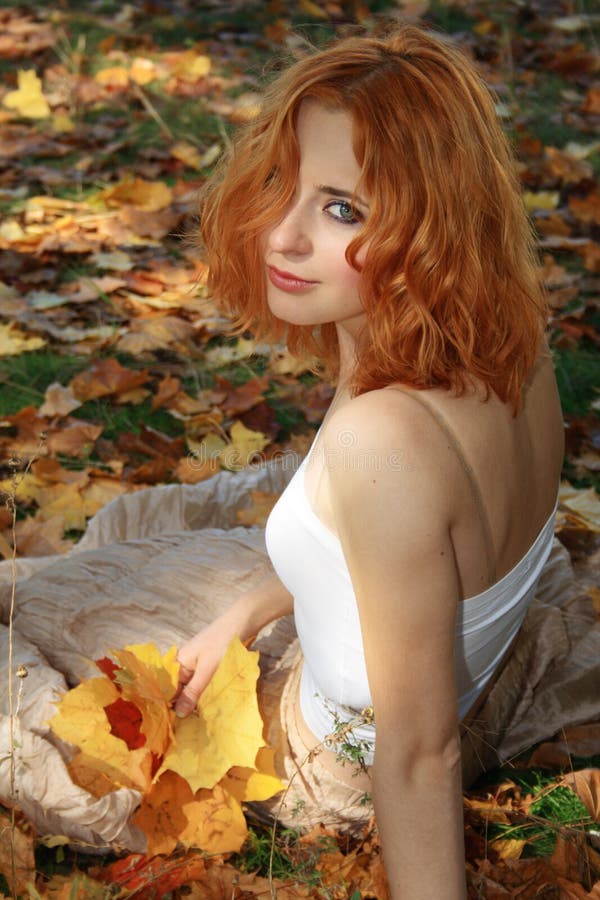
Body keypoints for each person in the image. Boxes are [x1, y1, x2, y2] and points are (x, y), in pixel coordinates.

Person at [174, 24, 565, 899]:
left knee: (38, 610)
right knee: (148, 529)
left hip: (337, 764)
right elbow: (402, 564)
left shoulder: (380, 442)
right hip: (464, 681)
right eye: (285, 184)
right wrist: (245, 610)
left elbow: (420, 754)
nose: (281, 235)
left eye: (342, 209)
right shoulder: (513, 347)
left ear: (429, 229)